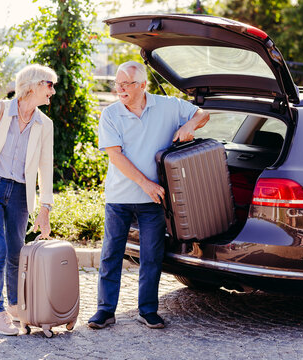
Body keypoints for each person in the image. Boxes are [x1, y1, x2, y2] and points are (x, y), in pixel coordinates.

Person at [88, 61, 210, 329]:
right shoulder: (110, 114)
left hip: (154, 199)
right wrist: (145, 184)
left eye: (126, 84)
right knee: (111, 254)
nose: (119, 89)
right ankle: (105, 310)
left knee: (152, 256)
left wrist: (190, 126)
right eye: (117, 84)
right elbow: (116, 156)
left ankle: (148, 310)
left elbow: (203, 114)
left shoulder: (167, 106)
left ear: (142, 85)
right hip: (120, 197)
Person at [0, 64, 56, 336]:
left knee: (17, 251)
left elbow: (45, 168)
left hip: (20, 194)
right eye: (49, 84)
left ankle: (15, 305)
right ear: (32, 85)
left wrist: (45, 209)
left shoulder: (44, 124)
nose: (53, 90)